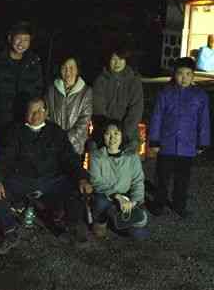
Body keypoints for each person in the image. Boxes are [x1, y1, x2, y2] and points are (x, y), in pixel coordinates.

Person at [0, 97, 92, 254]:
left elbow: (69, 158)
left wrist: (82, 178)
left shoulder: (56, 132)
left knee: (75, 188)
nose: (35, 115)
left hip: (51, 180)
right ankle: (9, 232)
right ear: (26, 114)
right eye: (31, 111)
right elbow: (4, 158)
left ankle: (72, 228)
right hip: (22, 180)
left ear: (46, 113)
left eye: (39, 111)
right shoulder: (15, 131)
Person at [149, 57, 210, 218]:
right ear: (174, 74)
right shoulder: (165, 93)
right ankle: (159, 203)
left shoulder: (200, 96)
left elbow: (203, 121)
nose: (184, 78)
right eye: (180, 73)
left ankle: (179, 204)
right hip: (166, 144)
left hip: (187, 146)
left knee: (182, 179)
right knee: (162, 176)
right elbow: (157, 117)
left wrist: (202, 142)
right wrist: (154, 140)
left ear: (193, 76)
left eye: (188, 74)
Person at [88, 120, 149, 240]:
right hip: (106, 196)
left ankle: (118, 221)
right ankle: (101, 221)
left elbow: (138, 181)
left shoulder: (132, 157)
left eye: (116, 133)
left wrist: (134, 201)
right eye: (108, 134)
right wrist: (116, 196)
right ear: (103, 136)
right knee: (101, 202)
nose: (112, 138)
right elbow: (96, 182)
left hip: (127, 199)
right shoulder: (96, 156)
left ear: (122, 135)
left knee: (139, 234)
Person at [0, 21, 45, 133]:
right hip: (1, 122)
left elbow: (39, 91)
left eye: (26, 40)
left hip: (27, 121)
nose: (21, 44)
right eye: (18, 38)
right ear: (10, 38)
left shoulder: (34, 62)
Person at [92, 41, 143, 152]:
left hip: (127, 135)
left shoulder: (134, 81)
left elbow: (136, 109)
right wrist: (109, 134)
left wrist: (123, 134)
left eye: (120, 59)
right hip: (104, 134)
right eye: (113, 59)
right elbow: (98, 109)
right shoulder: (101, 80)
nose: (117, 63)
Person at [46, 56, 92, 155]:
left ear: (77, 70)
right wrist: (54, 137)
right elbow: (46, 114)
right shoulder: (51, 89)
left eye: (71, 68)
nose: (68, 72)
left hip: (75, 146)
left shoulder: (86, 92)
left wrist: (66, 139)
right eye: (64, 68)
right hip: (53, 144)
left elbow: (84, 119)